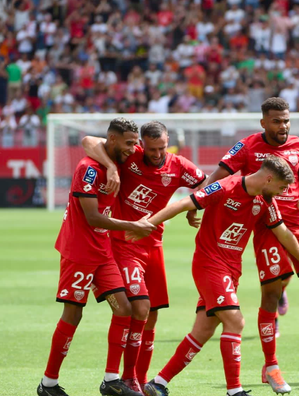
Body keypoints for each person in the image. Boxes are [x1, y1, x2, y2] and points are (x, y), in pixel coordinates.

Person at [194, 97, 299, 393]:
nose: (283, 126)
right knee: (271, 294)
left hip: (298, 224)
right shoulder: (247, 146)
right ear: (264, 122)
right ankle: (271, 366)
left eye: (286, 120)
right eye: (276, 121)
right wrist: (198, 198)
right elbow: (221, 174)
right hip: (266, 227)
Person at [127, 155, 299, 396]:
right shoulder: (226, 187)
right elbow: (184, 203)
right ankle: (235, 391)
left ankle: (158, 383)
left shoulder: (265, 200)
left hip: (230, 271)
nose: (281, 193)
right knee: (236, 322)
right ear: (268, 178)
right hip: (210, 265)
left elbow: (285, 234)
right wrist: (148, 224)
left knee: (203, 331)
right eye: (280, 187)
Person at [81, 121, 207, 394]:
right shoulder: (131, 156)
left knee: (151, 316)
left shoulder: (179, 165)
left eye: (161, 147)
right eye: (151, 149)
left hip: (154, 245)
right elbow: (89, 142)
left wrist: (192, 206)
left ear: (168, 141)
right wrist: (113, 167)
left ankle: (139, 377)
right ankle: (125, 378)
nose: (157, 153)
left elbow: (207, 183)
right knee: (140, 307)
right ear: (142, 145)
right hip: (124, 243)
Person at [37, 118, 156, 396]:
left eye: (135, 142)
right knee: (73, 313)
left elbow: (91, 141)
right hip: (79, 252)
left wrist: (114, 165)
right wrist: (133, 226)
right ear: (112, 140)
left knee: (123, 308)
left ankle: (111, 381)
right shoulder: (88, 169)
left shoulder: (116, 160)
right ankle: (48, 383)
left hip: (102, 252)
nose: (133, 148)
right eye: (128, 142)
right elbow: (91, 217)